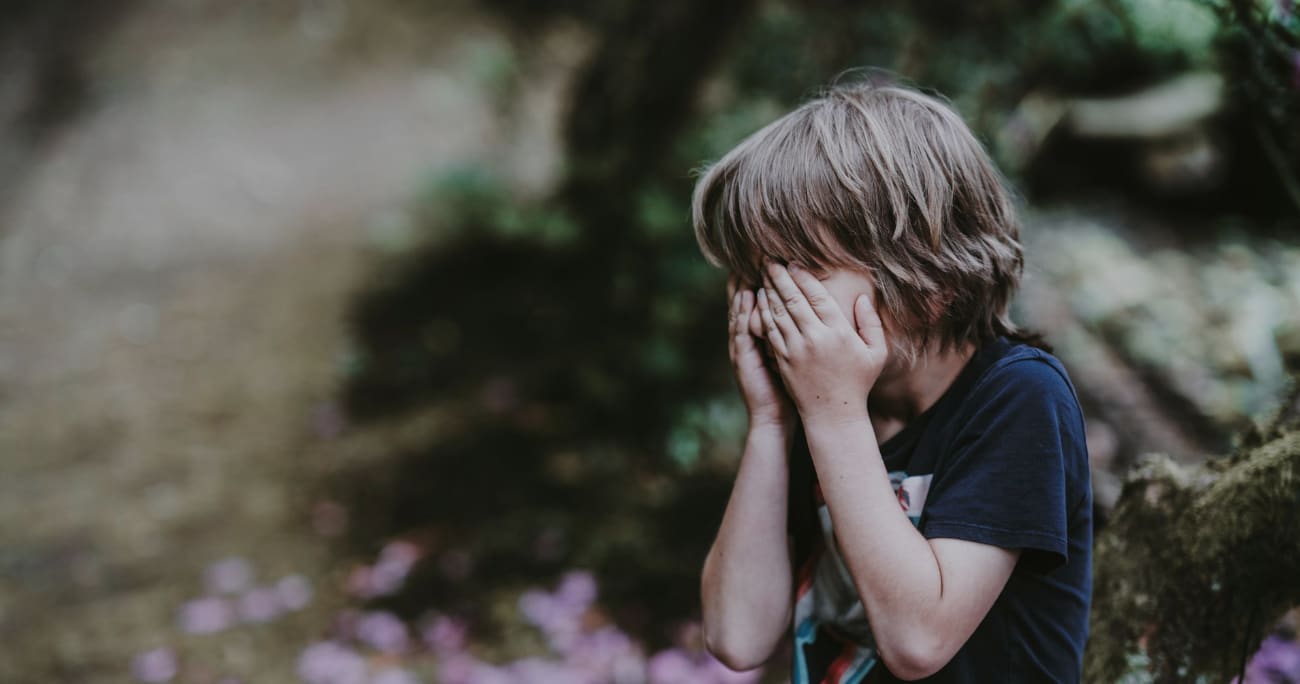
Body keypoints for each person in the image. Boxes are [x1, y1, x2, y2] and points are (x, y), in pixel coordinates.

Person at [692, 79, 1092, 683]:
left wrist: (833, 414)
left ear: (930, 282)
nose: (772, 303)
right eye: (757, 276)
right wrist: (771, 423)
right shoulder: (824, 401)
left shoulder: (1018, 396)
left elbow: (918, 640)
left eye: (801, 272)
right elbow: (736, 635)